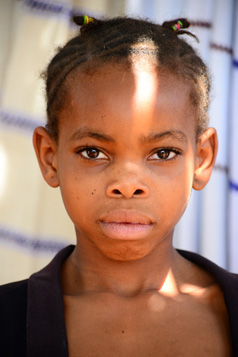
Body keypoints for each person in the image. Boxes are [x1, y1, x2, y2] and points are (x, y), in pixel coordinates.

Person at [0, 15, 237, 357]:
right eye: (93, 152)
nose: (127, 185)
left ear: (201, 159)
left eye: (162, 152)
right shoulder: (7, 319)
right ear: (50, 157)